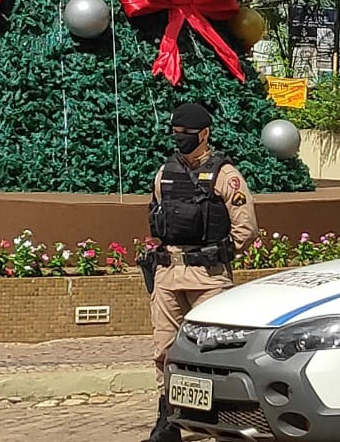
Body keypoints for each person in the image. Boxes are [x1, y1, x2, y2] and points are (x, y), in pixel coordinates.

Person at [141, 102, 259, 442]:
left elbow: (245, 228)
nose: (180, 140)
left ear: (204, 134)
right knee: (164, 349)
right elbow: (156, 217)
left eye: (187, 134)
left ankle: (222, 417)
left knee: (213, 351)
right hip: (167, 275)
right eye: (176, 134)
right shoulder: (164, 173)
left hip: (208, 277)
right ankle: (168, 419)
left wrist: (220, 254)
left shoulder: (226, 175)